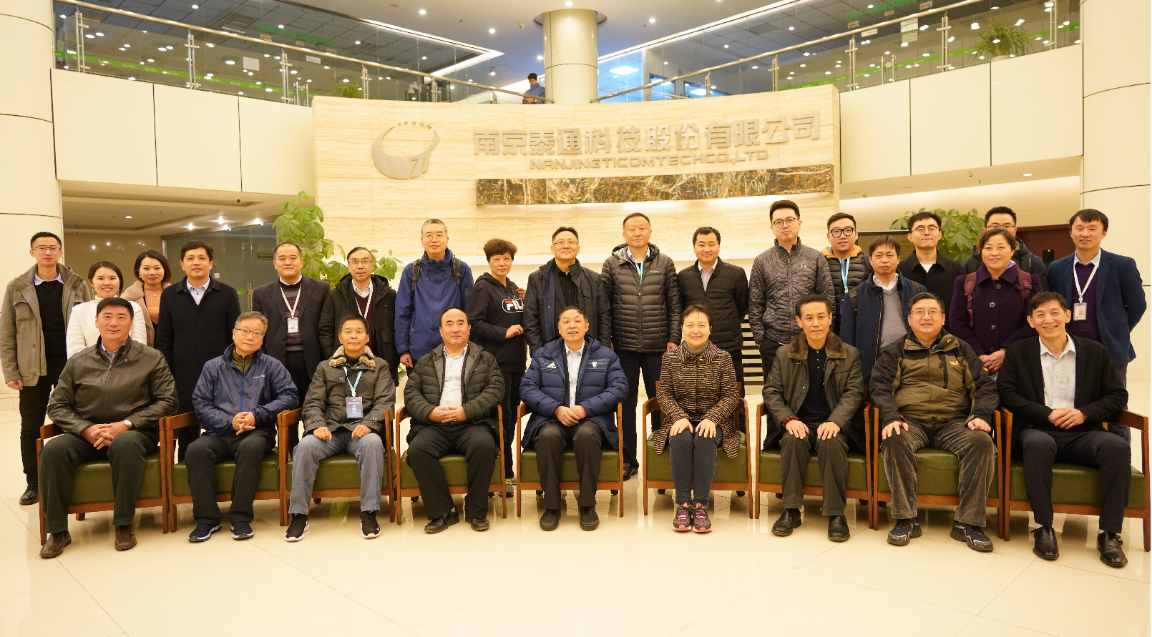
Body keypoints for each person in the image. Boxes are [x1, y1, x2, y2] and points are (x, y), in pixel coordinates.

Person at [997, 292, 1130, 567]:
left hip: (1084, 432)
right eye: (1040, 315)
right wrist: (1046, 413)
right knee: (1038, 444)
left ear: (1067, 315)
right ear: (1031, 321)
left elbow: (1117, 395)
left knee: (1117, 446)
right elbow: (1007, 394)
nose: (1048, 320)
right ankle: (1043, 528)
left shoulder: (1094, 351)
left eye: (1054, 313)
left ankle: (1109, 533)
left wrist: (1084, 413)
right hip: (1037, 429)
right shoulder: (1019, 352)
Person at [38, 298, 178, 558]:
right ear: (96, 322)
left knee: (125, 444)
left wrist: (126, 424)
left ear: (131, 323)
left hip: (134, 432)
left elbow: (168, 401)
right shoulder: (78, 361)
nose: (114, 323)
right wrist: (85, 429)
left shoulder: (151, 358)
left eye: (121, 317)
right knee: (53, 450)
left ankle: (123, 523)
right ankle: (57, 531)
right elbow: (57, 405)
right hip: (86, 433)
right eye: (107, 316)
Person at [870, 292, 1000, 551]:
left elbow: (985, 387)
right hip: (910, 421)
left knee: (981, 442)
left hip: (954, 422)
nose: (926, 317)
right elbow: (879, 387)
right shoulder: (896, 350)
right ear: (909, 319)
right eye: (919, 312)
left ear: (943, 318)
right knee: (894, 438)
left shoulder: (960, 349)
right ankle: (906, 519)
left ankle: (968, 523)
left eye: (932, 312)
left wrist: (980, 416)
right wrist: (891, 416)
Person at [186, 311, 298, 542]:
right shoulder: (213, 367)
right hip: (219, 432)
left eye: (257, 333)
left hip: (257, 432)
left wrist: (257, 415)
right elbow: (201, 402)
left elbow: (290, 395)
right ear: (234, 333)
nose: (250, 337)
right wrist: (229, 421)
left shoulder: (272, 366)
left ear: (263, 337)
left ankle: (240, 517)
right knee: (196, 450)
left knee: (250, 448)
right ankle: (207, 520)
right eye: (245, 331)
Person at [285, 315, 395, 542]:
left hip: (362, 431)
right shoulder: (325, 367)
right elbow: (312, 402)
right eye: (348, 331)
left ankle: (369, 512)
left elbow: (385, 401)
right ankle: (299, 514)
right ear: (340, 337)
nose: (354, 336)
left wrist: (369, 423)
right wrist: (317, 425)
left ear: (367, 337)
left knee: (374, 444)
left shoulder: (380, 366)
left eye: (359, 331)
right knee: (304, 446)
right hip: (330, 431)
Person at [763, 295, 864, 542]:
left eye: (821, 317)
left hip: (833, 423)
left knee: (831, 442)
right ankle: (791, 510)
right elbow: (771, 391)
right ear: (799, 321)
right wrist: (788, 419)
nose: (816, 323)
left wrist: (836, 421)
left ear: (830, 318)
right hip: (799, 421)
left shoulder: (849, 354)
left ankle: (836, 514)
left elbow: (853, 393)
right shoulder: (784, 354)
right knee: (792, 440)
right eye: (809, 318)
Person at [2, 232, 92, 507]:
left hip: (71, 366)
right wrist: (10, 371)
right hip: (32, 368)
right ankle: (34, 483)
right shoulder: (17, 286)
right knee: (31, 426)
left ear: (60, 251)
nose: (48, 252)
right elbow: (7, 332)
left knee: (73, 423)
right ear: (32, 252)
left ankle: (72, 477)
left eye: (53, 247)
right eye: (42, 248)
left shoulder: (77, 284)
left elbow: (90, 324)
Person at [520, 306, 628, 531]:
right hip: (551, 418)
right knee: (548, 436)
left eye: (577, 321)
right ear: (558, 328)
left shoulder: (605, 355)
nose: (572, 325)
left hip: (591, 419)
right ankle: (551, 507)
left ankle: (587, 505)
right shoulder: (543, 354)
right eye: (566, 321)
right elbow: (527, 388)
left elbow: (620, 388)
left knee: (587, 435)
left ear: (586, 326)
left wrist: (586, 408)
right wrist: (555, 409)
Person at [1047, 209, 1145, 443]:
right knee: (1074, 406)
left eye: (1092, 229)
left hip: (1110, 351)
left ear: (1104, 233)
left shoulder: (1122, 264)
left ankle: (1121, 457)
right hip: (1070, 351)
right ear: (1071, 232)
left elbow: (1137, 305)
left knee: (1115, 409)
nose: (1085, 234)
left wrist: (1117, 331)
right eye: (1079, 228)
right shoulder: (1057, 268)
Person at [404, 308, 504, 533]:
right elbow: (411, 393)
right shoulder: (426, 361)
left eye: (460, 323)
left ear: (469, 328)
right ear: (441, 331)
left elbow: (496, 390)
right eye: (449, 324)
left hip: (472, 424)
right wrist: (430, 412)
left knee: (484, 446)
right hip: (435, 425)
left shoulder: (486, 359)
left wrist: (466, 411)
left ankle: (476, 511)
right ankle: (443, 512)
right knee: (418, 450)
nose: (455, 328)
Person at [601, 212, 682, 481]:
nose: (637, 233)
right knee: (624, 406)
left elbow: (674, 304)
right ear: (624, 234)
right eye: (632, 229)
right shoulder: (611, 264)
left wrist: (673, 338)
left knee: (661, 403)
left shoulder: (665, 262)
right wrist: (607, 340)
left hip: (658, 347)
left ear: (650, 232)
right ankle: (628, 460)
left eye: (642, 228)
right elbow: (604, 306)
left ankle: (660, 455)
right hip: (622, 347)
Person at [652, 305, 742, 533]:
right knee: (680, 438)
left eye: (701, 325)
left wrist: (712, 418)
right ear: (681, 329)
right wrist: (679, 416)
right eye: (690, 325)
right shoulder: (670, 358)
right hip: (680, 419)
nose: (695, 330)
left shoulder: (723, 358)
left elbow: (732, 395)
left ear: (710, 328)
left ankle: (700, 506)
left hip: (715, 422)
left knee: (704, 437)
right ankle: (683, 505)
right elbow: (663, 394)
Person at [155, 240, 241, 460]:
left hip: (221, 375)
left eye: (202, 258)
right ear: (182, 264)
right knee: (186, 431)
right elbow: (164, 338)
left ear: (210, 263)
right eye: (190, 258)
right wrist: (166, 375)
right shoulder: (170, 295)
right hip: (181, 376)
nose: (196, 263)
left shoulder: (227, 294)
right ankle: (186, 476)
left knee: (221, 428)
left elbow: (235, 338)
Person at [252, 241, 330, 450]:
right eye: (282, 258)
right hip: (278, 365)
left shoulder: (321, 289)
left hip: (314, 363)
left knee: (315, 412)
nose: (288, 262)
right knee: (285, 415)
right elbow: (258, 332)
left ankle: (312, 453)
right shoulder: (261, 293)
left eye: (292, 258)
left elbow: (327, 327)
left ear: (301, 262)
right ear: (274, 263)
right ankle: (288, 457)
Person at [749, 200, 834, 383]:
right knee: (775, 392)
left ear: (799, 223)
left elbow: (827, 298)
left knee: (811, 391)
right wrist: (760, 339)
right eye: (778, 222)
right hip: (773, 341)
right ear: (772, 227)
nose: (785, 225)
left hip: (811, 340)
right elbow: (755, 303)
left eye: (790, 220)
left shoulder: (815, 258)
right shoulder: (762, 261)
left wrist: (825, 335)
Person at [467, 239, 526, 497]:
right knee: (500, 418)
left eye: (506, 258)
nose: (502, 263)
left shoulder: (511, 287)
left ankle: (505, 470)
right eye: (497, 259)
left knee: (511, 417)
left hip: (516, 363)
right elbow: (474, 322)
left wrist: (526, 300)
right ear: (489, 261)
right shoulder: (483, 287)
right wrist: (504, 332)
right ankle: (502, 474)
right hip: (496, 364)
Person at [948, 229, 1041, 376]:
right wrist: (978, 355)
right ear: (981, 251)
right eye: (988, 248)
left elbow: (1033, 323)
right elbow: (957, 323)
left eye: (1001, 247)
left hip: (1017, 364)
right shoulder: (965, 282)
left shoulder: (1029, 281)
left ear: (1012, 250)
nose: (994, 253)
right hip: (974, 365)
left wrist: (1006, 351)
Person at [839, 236, 925, 382]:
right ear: (870, 260)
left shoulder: (917, 290)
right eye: (878, 256)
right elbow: (847, 341)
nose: (884, 260)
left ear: (898, 259)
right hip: (871, 371)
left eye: (890, 255)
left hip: (913, 367)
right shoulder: (855, 295)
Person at [396, 219, 474, 371]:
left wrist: (470, 346)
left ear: (447, 239)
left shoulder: (461, 269)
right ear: (422, 240)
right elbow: (402, 312)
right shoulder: (411, 271)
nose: (434, 239)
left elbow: (470, 309)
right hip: (419, 349)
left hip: (454, 348)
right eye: (429, 235)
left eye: (439, 235)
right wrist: (403, 349)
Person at [678, 226, 749, 386]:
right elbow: (682, 309)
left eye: (711, 244)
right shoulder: (683, 276)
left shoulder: (736, 273)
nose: (706, 249)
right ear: (694, 247)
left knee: (733, 391)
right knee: (700, 391)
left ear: (718, 246)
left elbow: (742, 306)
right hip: (695, 345)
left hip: (728, 344)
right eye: (701, 244)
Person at [524, 226, 611, 354]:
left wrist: (603, 352)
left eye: (571, 242)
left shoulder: (593, 278)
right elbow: (530, 320)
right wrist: (540, 354)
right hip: (551, 351)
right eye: (560, 242)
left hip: (588, 351)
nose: (566, 246)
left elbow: (604, 317)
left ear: (578, 248)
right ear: (552, 248)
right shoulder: (537, 279)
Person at [319, 247, 399, 384]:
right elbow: (325, 329)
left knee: (383, 397)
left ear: (372, 265)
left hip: (382, 361)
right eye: (355, 262)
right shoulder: (336, 295)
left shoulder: (389, 295)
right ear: (349, 266)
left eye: (365, 261)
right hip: (346, 364)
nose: (360, 266)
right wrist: (333, 355)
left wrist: (394, 357)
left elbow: (399, 327)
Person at [65, 262, 148, 358]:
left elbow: (139, 346)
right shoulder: (79, 311)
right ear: (91, 282)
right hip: (88, 367)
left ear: (119, 281)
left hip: (128, 366)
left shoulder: (134, 308)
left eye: (112, 278)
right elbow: (75, 351)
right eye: (100, 278)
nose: (107, 283)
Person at [962, 206, 1047, 290]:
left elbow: (1042, 297)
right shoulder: (971, 264)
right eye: (995, 226)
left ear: (1015, 230)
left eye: (1006, 226)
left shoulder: (1032, 262)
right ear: (985, 231)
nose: (1001, 230)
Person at [896, 211, 967, 310]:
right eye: (920, 229)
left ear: (939, 234)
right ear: (910, 237)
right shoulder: (898, 271)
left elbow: (963, 307)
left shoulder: (957, 270)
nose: (926, 233)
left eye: (932, 228)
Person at [822, 212, 871, 335]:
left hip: (861, 327)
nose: (842, 236)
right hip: (827, 330)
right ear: (828, 236)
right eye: (836, 231)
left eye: (848, 230)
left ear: (856, 234)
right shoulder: (819, 263)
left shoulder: (868, 262)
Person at [120, 250, 171, 347]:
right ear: (138, 271)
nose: (152, 273)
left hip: (173, 349)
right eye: (146, 268)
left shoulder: (177, 294)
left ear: (164, 270)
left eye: (157, 268)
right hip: (141, 350)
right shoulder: (128, 298)